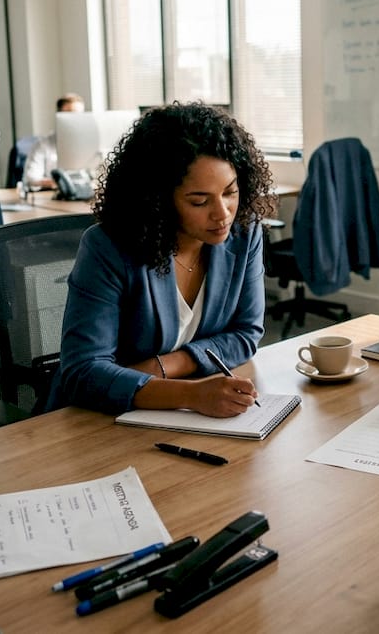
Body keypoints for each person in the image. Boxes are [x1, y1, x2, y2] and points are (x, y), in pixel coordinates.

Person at [48, 102, 273, 416]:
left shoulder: (244, 234)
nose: (222, 213)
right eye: (199, 200)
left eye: (230, 192)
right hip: (98, 419)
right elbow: (83, 373)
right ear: (159, 201)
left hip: (185, 418)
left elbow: (245, 333)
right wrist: (190, 395)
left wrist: (167, 366)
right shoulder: (108, 248)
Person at [23, 93, 86, 189]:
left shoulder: (87, 144)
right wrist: (62, 183)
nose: (75, 119)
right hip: (52, 196)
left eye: (79, 115)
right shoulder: (43, 145)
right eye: (70, 114)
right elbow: (31, 178)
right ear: (59, 116)